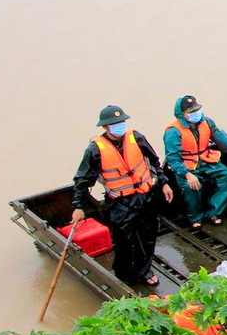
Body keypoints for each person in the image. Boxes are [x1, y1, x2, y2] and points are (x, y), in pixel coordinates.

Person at [71, 105, 175, 287]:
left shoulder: (136, 138)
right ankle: (123, 274)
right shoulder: (95, 150)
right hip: (121, 202)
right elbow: (83, 180)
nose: (120, 126)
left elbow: (155, 161)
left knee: (148, 237)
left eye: (121, 122)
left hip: (146, 197)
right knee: (124, 241)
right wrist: (78, 206)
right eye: (114, 124)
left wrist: (164, 182)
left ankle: (144, 271)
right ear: (105, 127)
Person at [163, 95, 227, 230]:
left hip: (206, 160)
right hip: (186, 166)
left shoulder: (206, 122)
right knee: (192, 187)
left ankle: (213, 212)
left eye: (196, 110)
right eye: (191, 112)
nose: (196, 114)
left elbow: (222, 138)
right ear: (182, 114)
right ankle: (195, 217)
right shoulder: (173, 131)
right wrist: (188, 175)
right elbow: (173, 159)